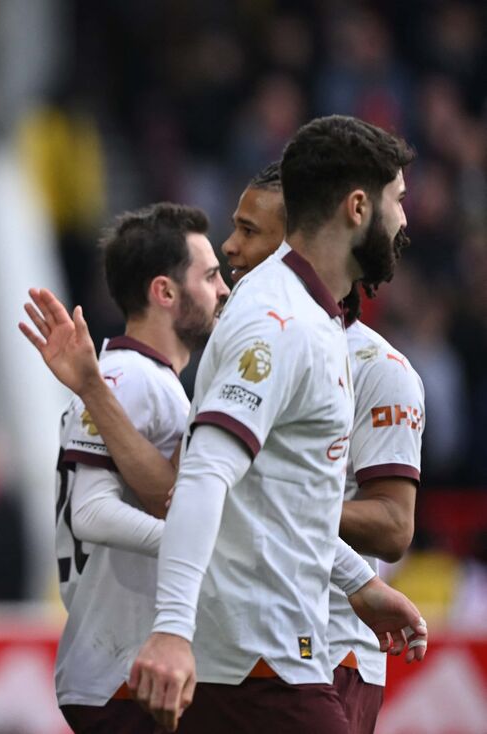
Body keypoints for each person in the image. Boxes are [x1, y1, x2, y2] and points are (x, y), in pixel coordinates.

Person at [24, 162, 425, 734]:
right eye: (215, 258)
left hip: (331, 645)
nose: (231, 254)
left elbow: (383, 523)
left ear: (299, 241)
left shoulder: (376, 367)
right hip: (205, 650)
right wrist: (218, 535)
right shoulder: (170, 370)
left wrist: (345, 575)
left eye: (247, 233)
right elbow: (190, 497)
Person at [126, 115, 426, 733]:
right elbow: (207, 474)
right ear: (358, 207)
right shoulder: (277, 322)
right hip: (257, 664)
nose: (404, 220)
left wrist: (358, 585)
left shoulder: (309, 320)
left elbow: (276, 494)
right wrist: (172, 630)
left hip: (276, 656)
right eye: (398, 202)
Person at [21, 203, 227, 733]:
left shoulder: (143, 379)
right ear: (164, 292)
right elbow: (91, 513)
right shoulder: (127, 377)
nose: (223, 290)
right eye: (209, 276)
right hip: (120, 672)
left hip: (127, 665)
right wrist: (192, 541)